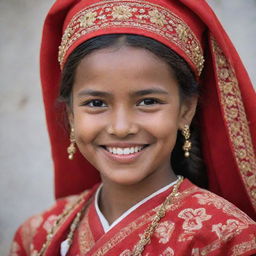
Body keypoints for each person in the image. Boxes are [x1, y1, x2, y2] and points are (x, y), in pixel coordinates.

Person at [9, 0, 256, 255]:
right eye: (96, 103)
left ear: (186, 110)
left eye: (148, 102)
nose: (121, 127)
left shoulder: (227, 239)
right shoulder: (37, 236)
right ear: (71, 114)